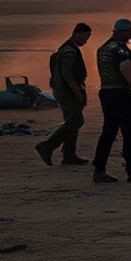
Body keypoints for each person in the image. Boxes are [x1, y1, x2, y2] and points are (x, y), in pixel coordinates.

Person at [92, 18, 131, 183]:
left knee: (108, 132)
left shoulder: (104, 48)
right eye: (128, 32)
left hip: (106, 92)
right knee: (130, 132)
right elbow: (130, 65)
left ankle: (99, 170)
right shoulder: (119, 49)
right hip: (119, 93)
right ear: (124, 32)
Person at [35, 23, 93, 166]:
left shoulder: (66, 49)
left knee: (72, 121)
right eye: (85, 38)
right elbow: (67, 74)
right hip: (67, 92)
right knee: (75, 121)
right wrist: (76, 91)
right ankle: (47, 146)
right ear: (77, 34)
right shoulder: (69, 51)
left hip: (64, 90)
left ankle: (69, 154)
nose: (85, 41)